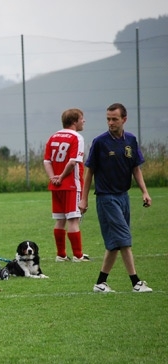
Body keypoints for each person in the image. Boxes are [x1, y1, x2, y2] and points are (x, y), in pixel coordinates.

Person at [79, 103, 152, 293]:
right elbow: (89, 172)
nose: (110, 122)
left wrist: (144, 192)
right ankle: (136, 283)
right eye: (108, 119)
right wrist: (84, 199)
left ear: (124, 119)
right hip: (106, 198)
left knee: (114, 244)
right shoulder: (100, 142)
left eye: (114, 119)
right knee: (124, 239)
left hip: (123, 196)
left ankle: (100, 283)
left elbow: (136, 168)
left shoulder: (131, 140)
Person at [43, 109, 90, 263]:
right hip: (71, 185)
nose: (84, 121)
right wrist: (62, 177)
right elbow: (72, 162)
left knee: (60, 220)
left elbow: (46, 161)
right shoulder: (77, 137)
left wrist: (53, 178)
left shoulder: (53, 136)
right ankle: (78, 255)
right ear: (74, 121)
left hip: (56, 186)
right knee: (73, 220)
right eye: (82, 119)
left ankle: (61, 255)